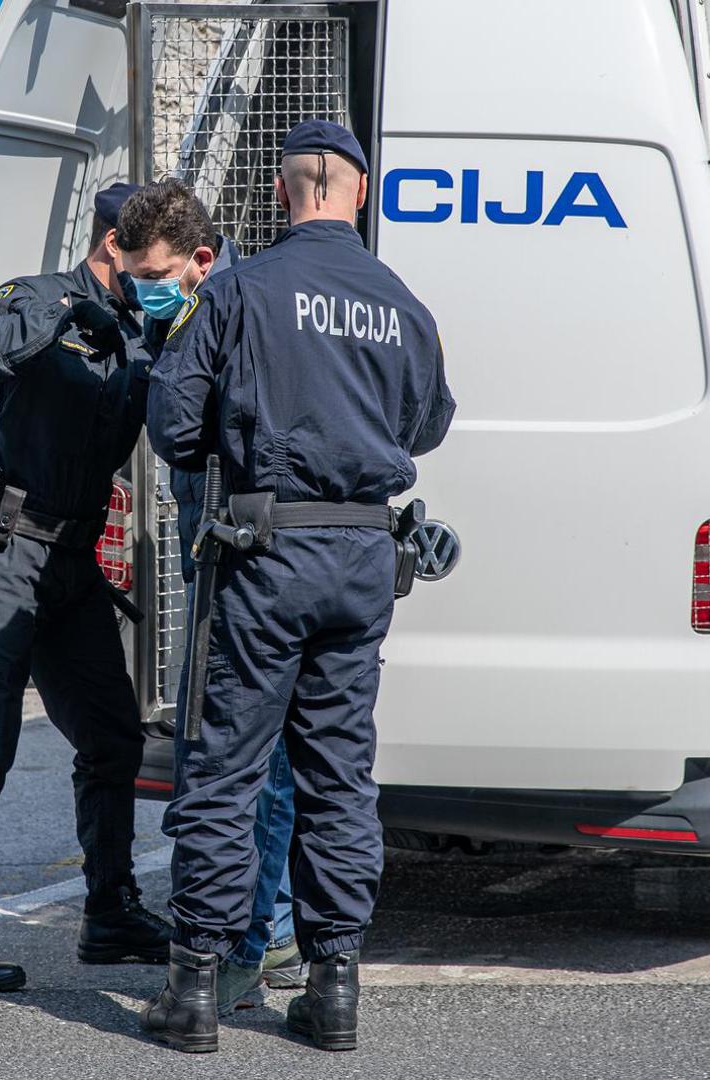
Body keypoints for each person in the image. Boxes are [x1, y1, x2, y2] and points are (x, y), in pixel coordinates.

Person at [140, 120, 457, 1053]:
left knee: (225, 769)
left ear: (284, 192)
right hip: (361, 562)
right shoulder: (402, 304)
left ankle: (194, 989)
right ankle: (335, 990)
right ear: (358, 193)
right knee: (337, 775)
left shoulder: (240, 290)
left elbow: (172, 420)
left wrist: (240, 464)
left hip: (263, 552)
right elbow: (428, 425)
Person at [0, 181, 172, 992]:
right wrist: (62, 318)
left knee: (113, 735)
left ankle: (109, 911)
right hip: (3, 548)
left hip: (70, 559)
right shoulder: (36, 297)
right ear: (109, 246)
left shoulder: (137, 331)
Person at [112, 179, 305, 1015]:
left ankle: (257, 943)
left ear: (198, 258)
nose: (139, 286)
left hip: (246, 557)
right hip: (211, 551)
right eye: (130, 273)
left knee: (249, 765)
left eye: (150, 273)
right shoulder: (182, 305)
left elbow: (192, 432)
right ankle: (272, 935)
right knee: (236, 757)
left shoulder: (240, 306)